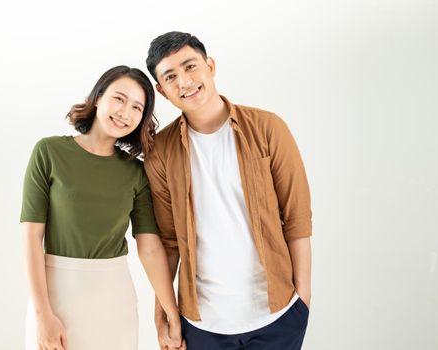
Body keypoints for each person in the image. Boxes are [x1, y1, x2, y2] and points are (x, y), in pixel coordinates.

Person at [144, 32, 313, 350]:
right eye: (171, 76)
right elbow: (167, 244)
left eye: (190, 66)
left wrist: (302, 300)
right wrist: (165, 317)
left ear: (210, 66)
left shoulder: (267, 128)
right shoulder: (160, 153)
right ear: (162, 90)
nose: (185, 81)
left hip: (277, 316)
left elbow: (297, 217)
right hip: (202, 324)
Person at [21, 65, 183, 350]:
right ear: (98, 97)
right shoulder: (49, 152)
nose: (125, 113)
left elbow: (150, 248)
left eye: (137, 107)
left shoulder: (135, 172)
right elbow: (32, 238)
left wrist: (171, 314)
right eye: (119, 99)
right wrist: (42, 313)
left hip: (114, 300)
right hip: (56, 297)